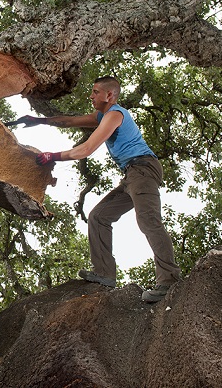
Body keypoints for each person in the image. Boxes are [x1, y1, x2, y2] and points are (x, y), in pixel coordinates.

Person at [24, 76, 181, 303]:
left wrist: (52, 156)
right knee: (98, 216)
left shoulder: (115, 115)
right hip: (131, 174)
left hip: (144, 168)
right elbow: (69, 121)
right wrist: (38, 120)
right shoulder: (101, 116)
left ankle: (169, 280)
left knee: (147, 220)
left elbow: (85, 149)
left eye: (96, 92)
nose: (91, 96)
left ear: (110, 95)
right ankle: (104, 274)